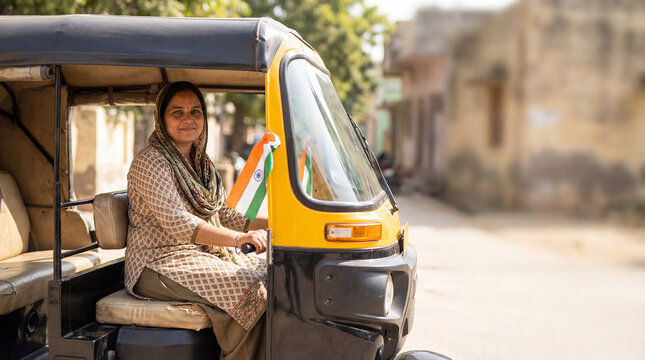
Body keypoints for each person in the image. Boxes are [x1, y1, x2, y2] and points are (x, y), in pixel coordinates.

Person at [124, 81, 268, 360]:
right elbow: (179, 221)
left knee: (272, 275)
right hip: (157, 262)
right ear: (161, 118)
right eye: (177, 112)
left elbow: (223, 214)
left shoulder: (202, 163)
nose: (188, 119)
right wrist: (239, 240)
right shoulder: (150, 161)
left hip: (198, 255)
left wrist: (278, 221)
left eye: (196, 111)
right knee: (251, 290)